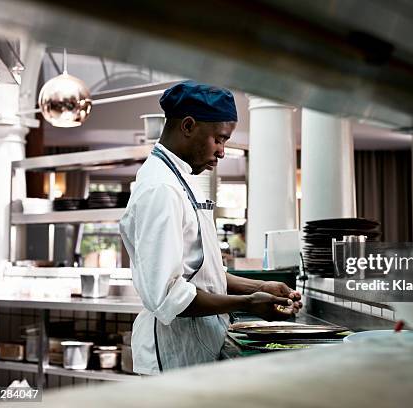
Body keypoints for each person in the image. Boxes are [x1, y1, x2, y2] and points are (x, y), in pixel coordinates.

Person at [119, 80, 302, 375]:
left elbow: (201, 273)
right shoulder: (161, 189)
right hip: (173, 356)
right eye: (219, 139)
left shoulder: (180, 178)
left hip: (193, 349)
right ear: (188, 126)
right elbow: (169, 296)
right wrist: (250, 303)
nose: (221, 152)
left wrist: (261, 287)